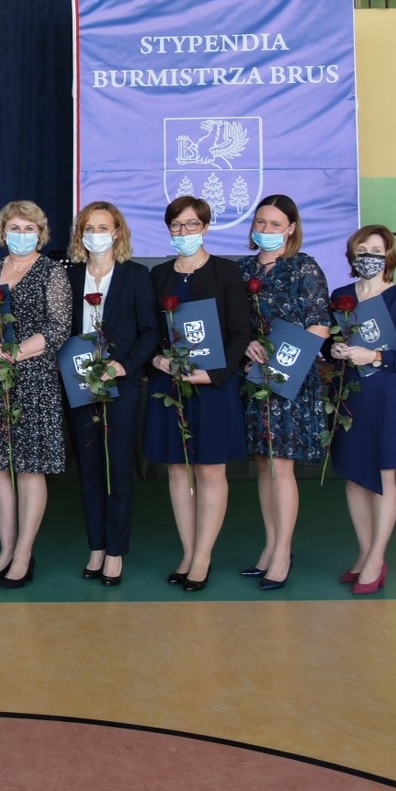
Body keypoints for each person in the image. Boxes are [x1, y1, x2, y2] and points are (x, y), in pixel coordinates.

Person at [0, 200, 73, 590]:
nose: (22, 234)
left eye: (30, 228)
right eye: (15, 227)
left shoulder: (51, 272)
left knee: (29, 467)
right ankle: (6, 549)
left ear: (40, 234)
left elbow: (58, 327)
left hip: (33, 378)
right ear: (2, 232)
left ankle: (24, 554)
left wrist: (10, 355)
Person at [143, 195, 250, 592]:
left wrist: (215, 375)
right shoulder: (158, 276)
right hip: (169, 383)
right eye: (176, 225)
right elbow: (148, 332)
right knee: (177, 468)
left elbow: (240, 333)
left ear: (205, 227)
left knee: (209, 470)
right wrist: (156, 360)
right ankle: (187, 553)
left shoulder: (226, 272)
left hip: (213, 386)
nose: (183, 231)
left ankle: (203, 556)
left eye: (191, 224)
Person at [63, 201, 159, 588]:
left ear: (117, 232)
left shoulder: (136, 276)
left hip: (122, 384)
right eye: (89, 228)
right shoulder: (69, 276)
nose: (95, 234)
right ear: (80, 234)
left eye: (103, 227)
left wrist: (125, 366)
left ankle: (116, 551)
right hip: (80, 383)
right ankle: (97, 547)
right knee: (88, 468)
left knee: (117, 469)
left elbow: (150, 332)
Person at [326, 225, 396, 595]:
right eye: (362, 249)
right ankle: (365, 553)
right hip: (350, 394)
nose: (368, 256)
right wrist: (334, 350)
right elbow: (330, 344)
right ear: (352, 254)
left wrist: (377, 356)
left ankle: (376, 558)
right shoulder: (341, 296)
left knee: (383, 476)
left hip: (387, 394)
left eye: (376, 250)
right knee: (354, 476)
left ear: (388, 256)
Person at [239, 194, 330, 591]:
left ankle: (282, 552)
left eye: (275, 224)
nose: (266, 230)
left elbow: (319, 325)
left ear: (291, 228)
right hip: (254, 378)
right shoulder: (242, 269)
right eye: (261, 222)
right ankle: (270, 545)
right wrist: (246, 345)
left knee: (281, 466)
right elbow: (236, 325)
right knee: (263, 463)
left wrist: (282, 366)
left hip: (291, 379)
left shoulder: (303, 267)